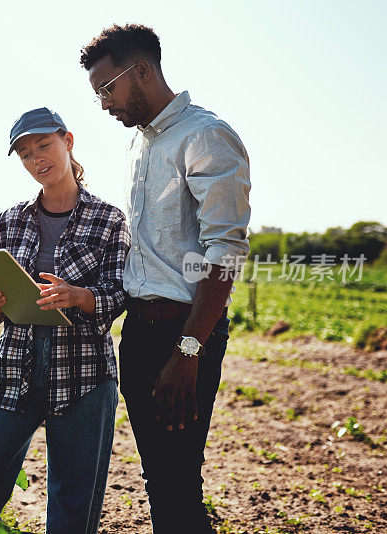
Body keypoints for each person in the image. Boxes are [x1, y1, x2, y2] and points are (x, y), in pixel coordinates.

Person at [80, 24, 252, 533]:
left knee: (177, 484)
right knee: (161, 481)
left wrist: (188, 353)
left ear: (144, 71)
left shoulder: (205, 136)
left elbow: (225, 254)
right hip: (139, 331)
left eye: (107, 89)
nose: (105, 104)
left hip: (183, 336)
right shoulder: (140, 144)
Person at [0, 107, 131, 534]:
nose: (37, 158)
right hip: (13, 369)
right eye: (25, 153)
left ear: (68, 141)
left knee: (72, 509)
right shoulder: (10, 220)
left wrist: (81, 297)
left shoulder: (109, 219)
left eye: (44, 145)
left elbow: (119, 294)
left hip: (83, 375)